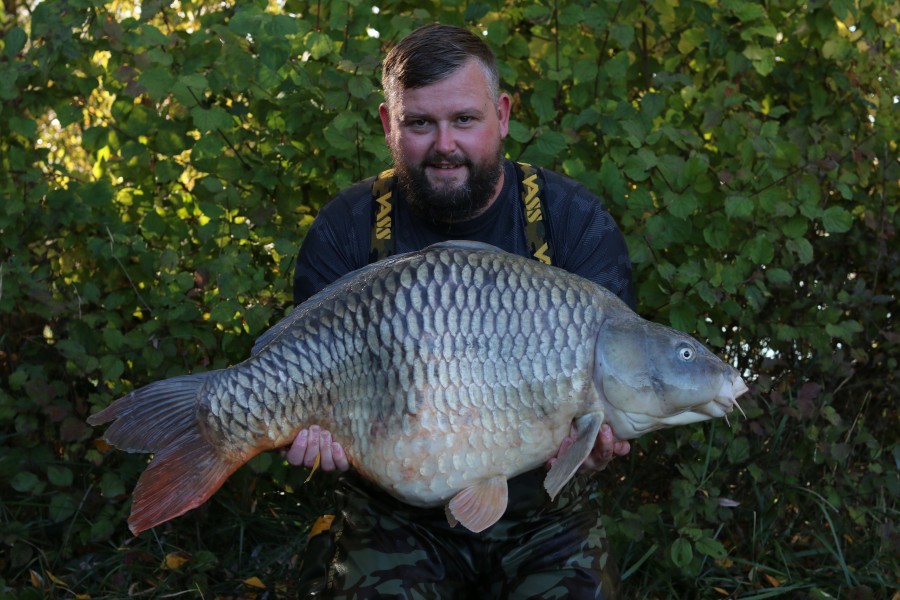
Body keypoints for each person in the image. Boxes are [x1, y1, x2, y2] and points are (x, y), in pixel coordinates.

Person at [286, 23, 634, 599]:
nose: (444, 145)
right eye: (420, 123)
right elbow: (306, 384)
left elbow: (620, 385)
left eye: (464, 120)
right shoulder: (345, 231)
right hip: (392, 516)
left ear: (502, 114)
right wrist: (316, 435)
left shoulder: (573, 224)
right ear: (387, 125)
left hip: (544, 515)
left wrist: (595, 450)